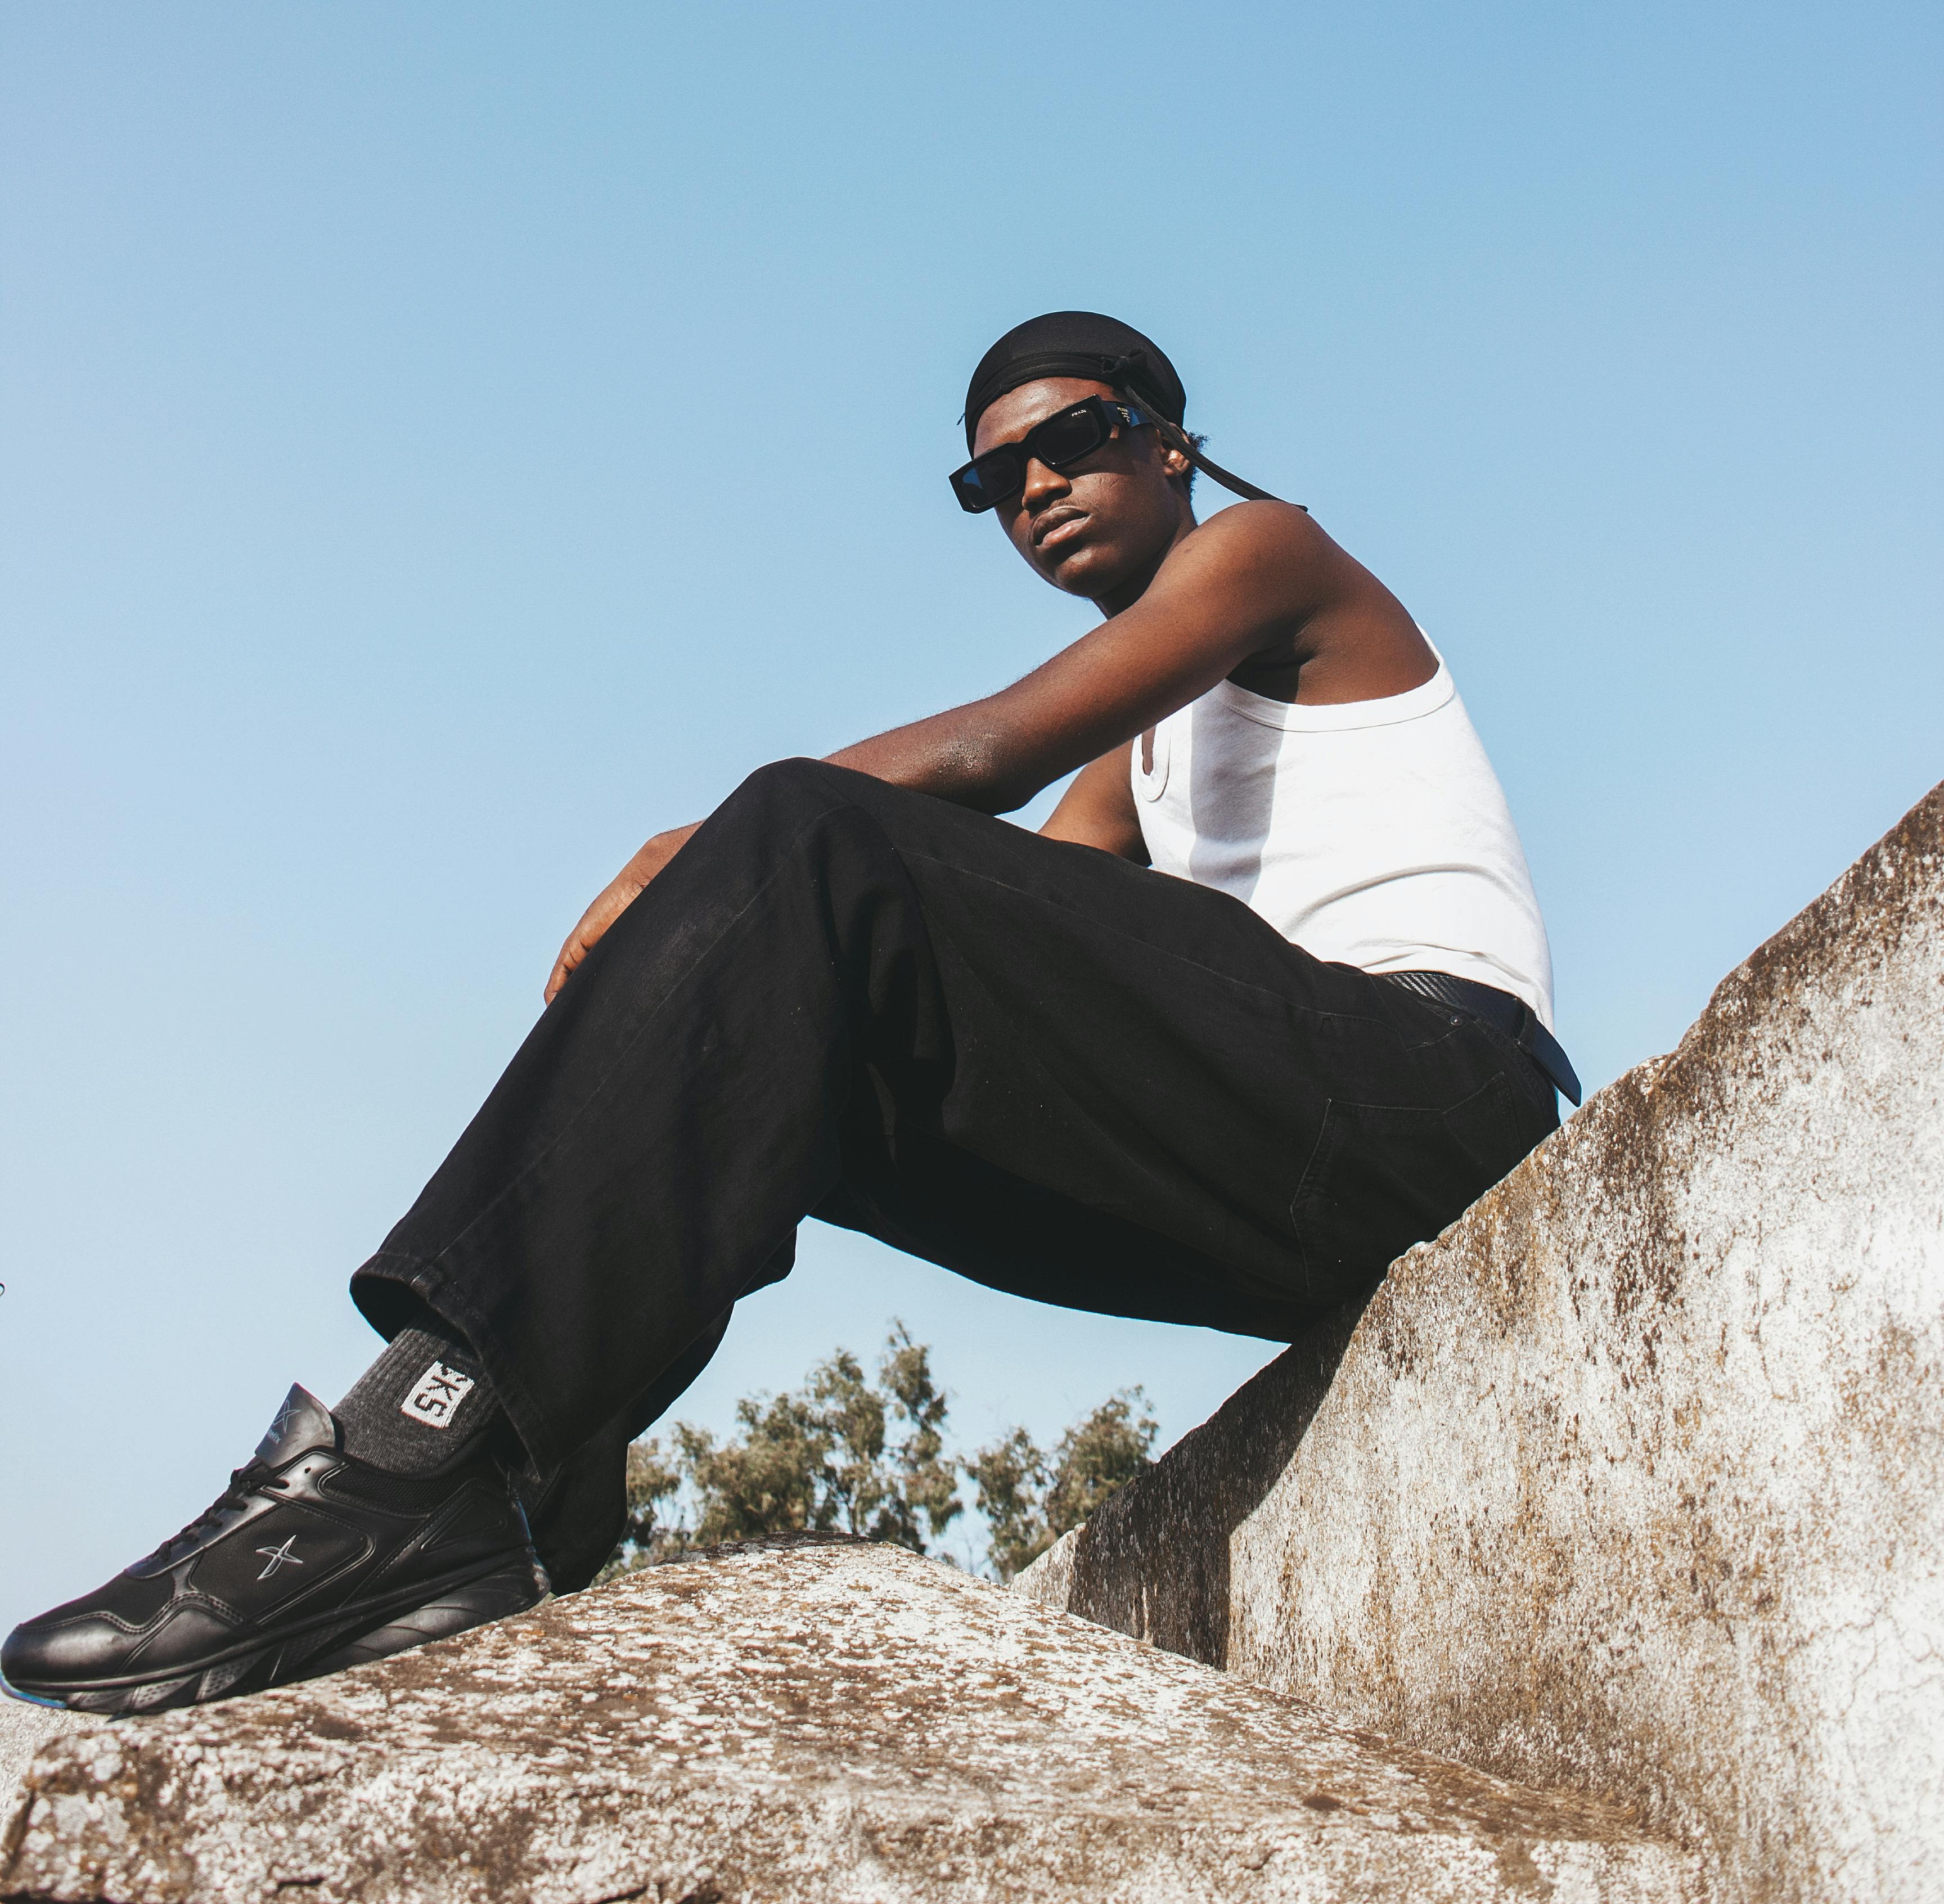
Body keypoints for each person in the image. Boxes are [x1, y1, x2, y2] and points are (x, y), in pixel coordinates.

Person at [4, 310, 1576, 1718]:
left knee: (801, 833)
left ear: (1172, 445)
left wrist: (699, 853)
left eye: (1074, 440)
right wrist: (730, 974)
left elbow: (976, 766)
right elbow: (983, 959)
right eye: (994, 479)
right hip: (1290, 1183)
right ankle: (503, 1465)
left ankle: (411, 1465)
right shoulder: (1146, 757)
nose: (1035, 486)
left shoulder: (1268, 551)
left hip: (1438, 1098)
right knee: (803, 1022)